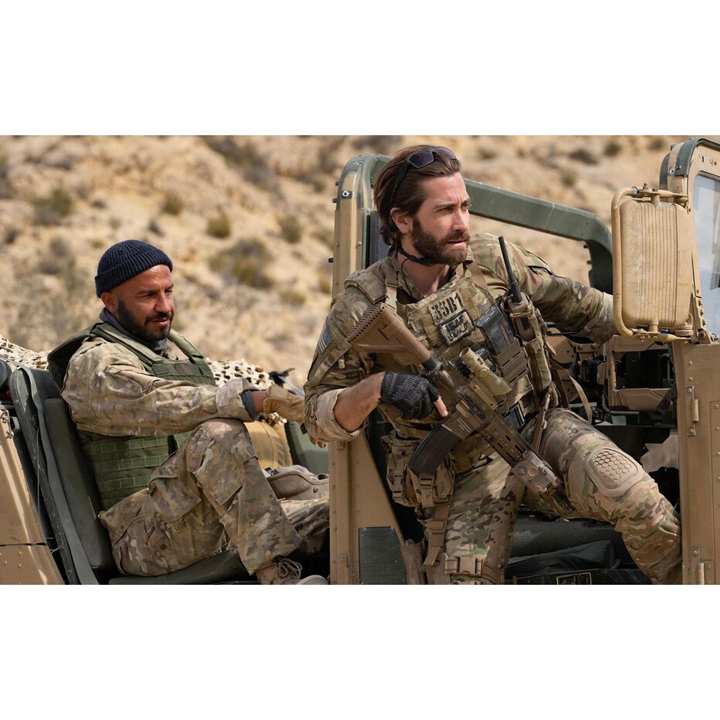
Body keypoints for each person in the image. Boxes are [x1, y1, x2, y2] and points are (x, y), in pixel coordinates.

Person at [304, 145, 681, 585]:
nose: (462, 222)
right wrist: (379, 387)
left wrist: (675, 334)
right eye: (445, 210)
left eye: (465, 206)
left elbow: (587, 309)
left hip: (539, 428)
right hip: (460, 471)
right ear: (403, 221)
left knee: (640, 502)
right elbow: (316, 413)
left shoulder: (491, 260)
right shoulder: (361, 307)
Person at [48, 239, 329, 584]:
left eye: (168, 291)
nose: (165, 306)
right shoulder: (94, 364)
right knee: (219, 434)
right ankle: (278, 579)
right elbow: (160, 403)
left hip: (198, 516)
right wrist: (258, 400)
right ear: (110, 301)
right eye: (148, 296)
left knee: (333, 511)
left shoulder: (177, 351)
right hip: (142, 539)